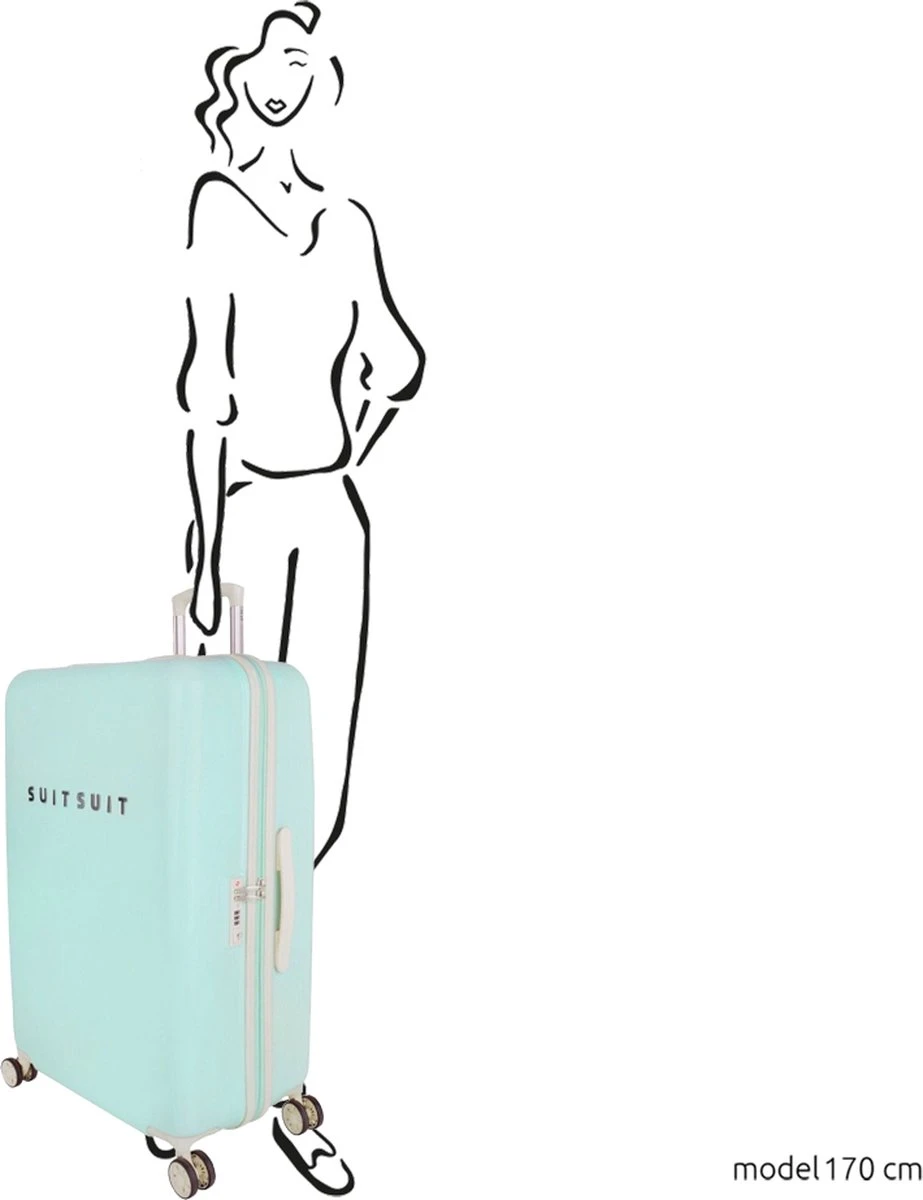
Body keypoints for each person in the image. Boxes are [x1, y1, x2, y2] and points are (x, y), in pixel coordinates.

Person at [179, 2, 425, 866]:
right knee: (236, 758)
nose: (282, 79)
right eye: (269, 59)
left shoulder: (346, 223)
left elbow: (398, 362)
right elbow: (208, 393)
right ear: (237, 76)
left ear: (323, 80)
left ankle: (288, 935)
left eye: (300, 62)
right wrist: (206, 558)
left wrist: (352, 445)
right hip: (247, 506)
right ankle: (231, 935)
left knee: (315, 773)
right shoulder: (218, 205)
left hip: (329, 511)